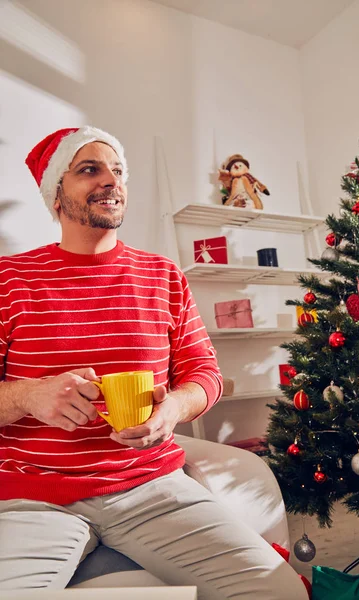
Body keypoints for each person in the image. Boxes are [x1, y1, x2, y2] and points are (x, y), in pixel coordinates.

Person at [0, 127, 307, 599]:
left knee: (281, 592)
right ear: (55, 195)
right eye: (89, 169)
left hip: (151, 488)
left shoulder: (162, 275)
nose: (111, 181)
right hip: (32, 497)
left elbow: (204, 373)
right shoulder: (9, 279)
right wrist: (29, 395)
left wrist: (173, 410)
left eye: (118, 171)